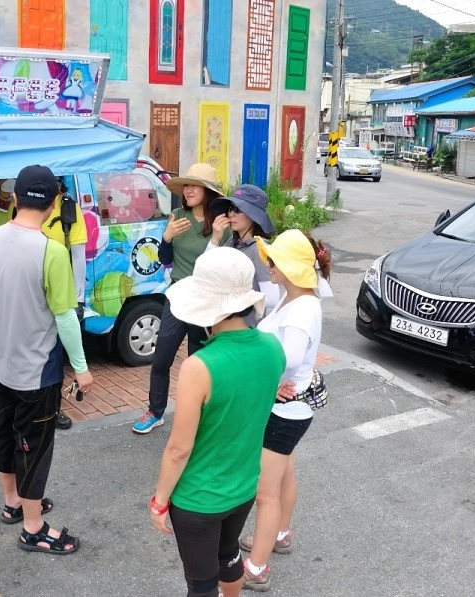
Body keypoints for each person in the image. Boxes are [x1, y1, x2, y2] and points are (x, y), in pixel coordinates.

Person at [149, 247, 286, 597]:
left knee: (201, 584)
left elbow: (179, 449)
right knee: (228, 557)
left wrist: (160, 500)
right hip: (243, 487)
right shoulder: (272, 348)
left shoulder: (200, 366)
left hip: (199, 498)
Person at [0, 165, 93, 555]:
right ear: (55, 202)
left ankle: (12, 503)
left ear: (14, 198)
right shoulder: (51, 251)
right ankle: (33, 527)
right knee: (35, 447)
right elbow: (65, 317)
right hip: (37, 372)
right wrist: (81, 368)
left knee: (5, 435)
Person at [240, 229, 333, 591]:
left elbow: (290, 359)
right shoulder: (295, 299)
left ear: (292, 266)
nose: (269, 265)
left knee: (265, 493)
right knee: (284, 475)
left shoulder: (301, 307)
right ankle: (279, 534)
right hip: (292, 408)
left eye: (275, 260)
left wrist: (267, 383)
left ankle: (257, 567)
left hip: (284, 410)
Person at [133, 162, 229, 434]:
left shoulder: (221, 223)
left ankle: (198, 416)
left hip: (205, 301)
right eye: (186, 185)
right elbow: (165, 260)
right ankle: (155, 411)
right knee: (161, 358)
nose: (188, 190)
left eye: (194, 186)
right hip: (177, 297)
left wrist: (218, 236)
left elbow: (221, 266)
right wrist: (166, 238)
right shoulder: (177, 215)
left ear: (208, 191)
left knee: (197, 364)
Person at [39, 178, 89, 430]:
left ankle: (53, 408)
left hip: (59, 291)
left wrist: (78, 298)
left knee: (55, 354)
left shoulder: (69, 208)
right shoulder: (19, 205)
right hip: (30, 289)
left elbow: (78, 255)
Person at [207, 185, 281, 326]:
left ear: (253, 215)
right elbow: (207, 270)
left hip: (247, 329)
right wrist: (215, 239)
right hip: (226, 325)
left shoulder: (259, 248)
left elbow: (272, 298)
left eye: (237, 209)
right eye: (230, 208)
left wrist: (233, 297)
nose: (231, 214)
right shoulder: (233, 242)